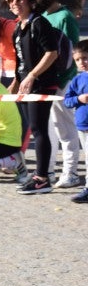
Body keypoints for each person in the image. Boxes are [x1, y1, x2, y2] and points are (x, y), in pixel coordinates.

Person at [6, 0, 60, 194]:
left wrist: (32, 75)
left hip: (42, 83)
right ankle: (39, 176)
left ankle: (42, 178)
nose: (15, 3)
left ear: (30, 0)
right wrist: (16, 82)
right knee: (34, 127)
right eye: (11, 0)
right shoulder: (18, 27)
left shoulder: (39, 23)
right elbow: (21, 60)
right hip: (27, 84)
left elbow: (51, 53)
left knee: (38, 129)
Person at [32, 0, 81, 189]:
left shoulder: (64, 17)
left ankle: (70, 172)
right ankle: (47, 170)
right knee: (48, 127)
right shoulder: (42, 16)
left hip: (62, 82)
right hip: (47, 83)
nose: (34, 0)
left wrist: (63, 81)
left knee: (65, 129)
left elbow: (72, 52)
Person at [63, 40, 88, 202]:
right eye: (78, 60)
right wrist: (79, 98)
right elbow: (67, 100)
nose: (81, 63)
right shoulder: (77, 80)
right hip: (83, 126)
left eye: (85, 58)